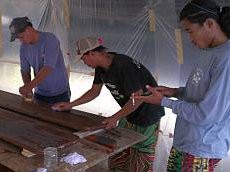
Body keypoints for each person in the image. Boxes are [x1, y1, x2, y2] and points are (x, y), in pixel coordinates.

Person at [133, 0, 230, 171]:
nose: (190, 38)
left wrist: (164, 102)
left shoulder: (228, 59)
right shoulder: (211, 52)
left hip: (201, 148)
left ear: (209, 24)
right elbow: (200, 93)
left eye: (190, 31)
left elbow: (206, 114)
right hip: (187, 142)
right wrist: (174, 92)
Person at [52, 37, 165, 171]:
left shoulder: (123, 65)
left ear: (92, 53)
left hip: (148, 115)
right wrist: (70, 105)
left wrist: (115, 118)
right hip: (129, 113)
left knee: (140, 163)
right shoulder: (101, 68)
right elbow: (94, 91)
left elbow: (138, 98)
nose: (84, 62)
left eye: (83, 58)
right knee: (117, 158)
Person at [9, 16, 70, 104]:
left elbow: (48, 68)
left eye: (21, 37)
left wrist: (29, 86)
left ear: (29, 30)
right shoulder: (23, 48)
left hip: (60, 94)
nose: (21, 41)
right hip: (39, 94)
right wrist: (28, 89)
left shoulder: (50, 39)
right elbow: (25, 71)